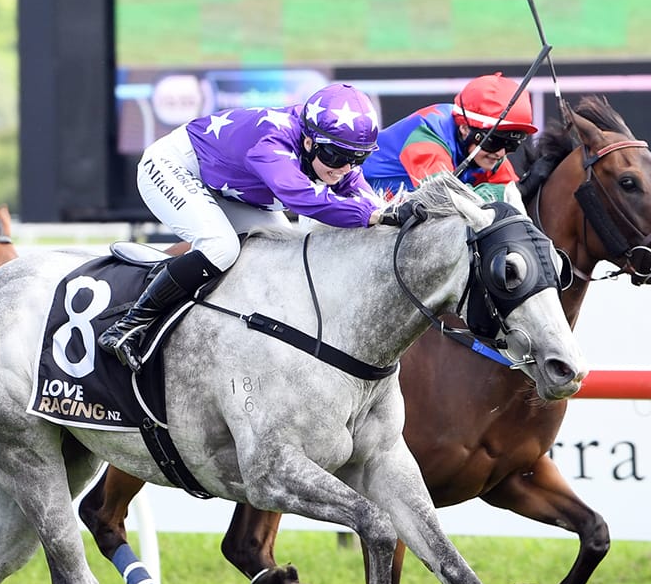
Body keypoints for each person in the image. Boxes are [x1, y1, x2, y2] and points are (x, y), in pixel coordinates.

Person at [97, 82, 419, 372]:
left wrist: (391, 214)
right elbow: (306, 199)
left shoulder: (333, 149)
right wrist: (372, 216)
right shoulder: (272, 142)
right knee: (221, 248)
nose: (346, 169)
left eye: (358, 158)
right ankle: (130, 325)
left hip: (231, 187)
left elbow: (367, 202)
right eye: (337, 157)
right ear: (309, 142)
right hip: (175, 166)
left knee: (286, 256)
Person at [361, 72, 538, 204]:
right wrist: (515, 190)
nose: (501, 153)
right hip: (353, 203)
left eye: (511, 144)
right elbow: (447, 200)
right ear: (464, 128)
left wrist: (524, 188)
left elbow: (511, 191)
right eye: (496, 141)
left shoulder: (487, 151)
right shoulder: (426, 137)